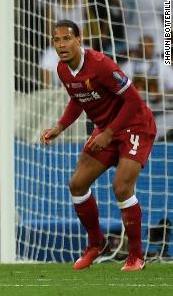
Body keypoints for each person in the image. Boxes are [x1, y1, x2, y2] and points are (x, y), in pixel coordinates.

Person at [40, 20, 156, 272]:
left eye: (66, 38)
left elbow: (134, 101)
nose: (61, 44)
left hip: (135, 126)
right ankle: (96, 243)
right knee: (77, 184)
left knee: (121, 186)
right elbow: (77, 98)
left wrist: (110, 132)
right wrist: (59, 127)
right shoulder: (62, 69)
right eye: (56, 40)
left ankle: (135, 256)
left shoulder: (101, 65)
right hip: (106, 130)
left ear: (79, 40)